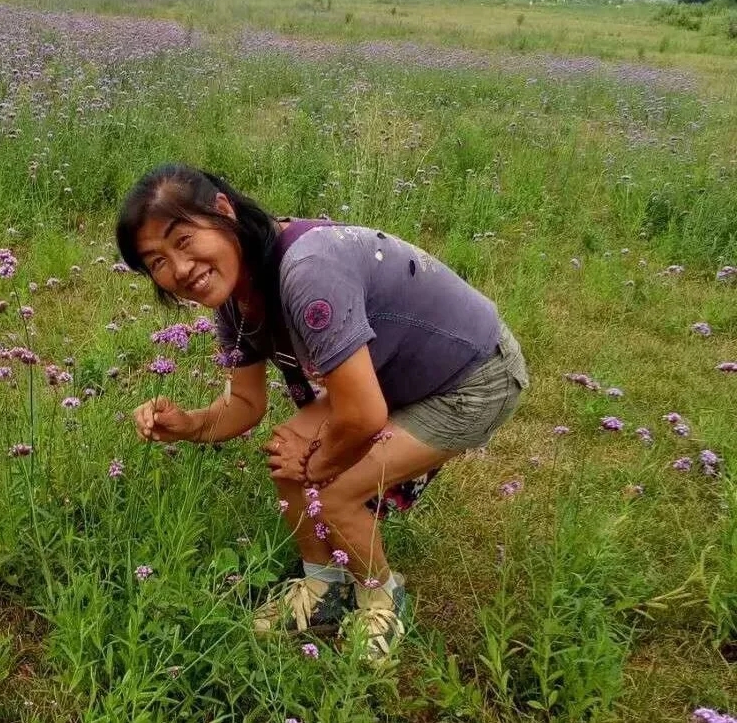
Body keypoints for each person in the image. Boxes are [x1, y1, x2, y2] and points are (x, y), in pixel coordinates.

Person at [116, 164, 529, 660]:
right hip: (388, 376)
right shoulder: (234, 297)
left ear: (223, 210)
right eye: (157, 261)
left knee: (332, 490)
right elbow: (245, 404)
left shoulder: (307, 269)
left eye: (183, 241)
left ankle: (381, 599)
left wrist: (321, 465)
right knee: (286, 451)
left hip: (471, 376)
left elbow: (362, 416)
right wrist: (188, 424)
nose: (180, 269)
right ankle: (324, 587)